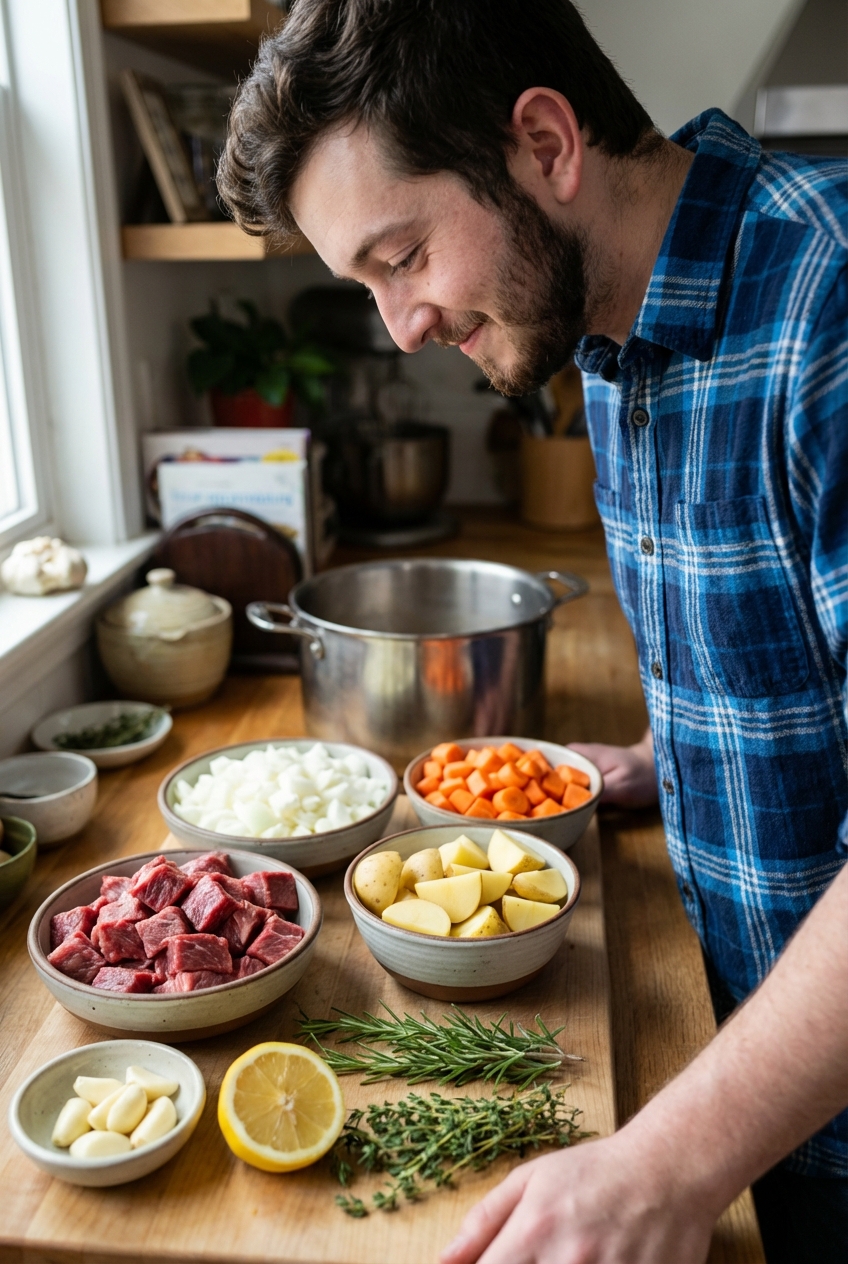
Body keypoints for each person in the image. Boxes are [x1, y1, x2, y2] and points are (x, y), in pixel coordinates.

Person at [217, 1, 848, 1259]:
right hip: (767, 1077)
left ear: (546, 144)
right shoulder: (603, 339)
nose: (401, 326)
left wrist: (666, 1159)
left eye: (401, 258)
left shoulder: (827, 303)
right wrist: (664, 756)